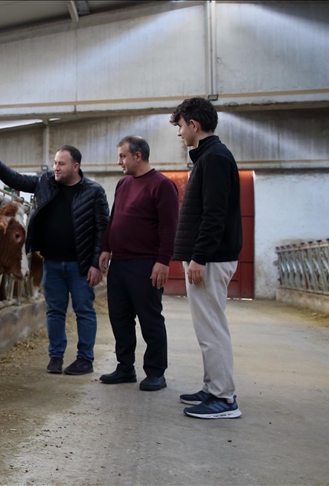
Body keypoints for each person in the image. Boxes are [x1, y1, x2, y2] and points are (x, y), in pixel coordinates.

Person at [0, 146, 109, 376]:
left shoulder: (94, 191)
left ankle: (85, 359)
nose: (56, 167)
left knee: (84, 310)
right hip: (52, 262)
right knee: (55, 311)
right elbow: (17, 180)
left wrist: (97, 264)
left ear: (75, 167)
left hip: (81, 264)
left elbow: (102, 229)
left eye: (62, 164)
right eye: (55, 162)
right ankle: (55, 357)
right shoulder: (46, 182)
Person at [171, 97, 243, 419]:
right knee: (207, 328)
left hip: (210, 259)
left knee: (212, 328)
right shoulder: (208, 157)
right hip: (208, 258)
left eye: (181, 126)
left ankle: (223, 398)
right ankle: (212, 385)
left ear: (193, 125)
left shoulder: (214, 158)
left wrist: (199, 257)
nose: (179, 133)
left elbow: (214, 215)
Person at [98, 136, 179, 392]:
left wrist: (163, 262)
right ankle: (125, 368)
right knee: (119, 318)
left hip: (145, 264)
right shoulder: (123, 184)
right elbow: (114, 219)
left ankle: (156, 372)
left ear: (138, 156)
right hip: (119, 263)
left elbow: (169, 228)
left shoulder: (162, 185)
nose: (119, 161)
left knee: (149, 318)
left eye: (122, 156)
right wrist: (106, 247)